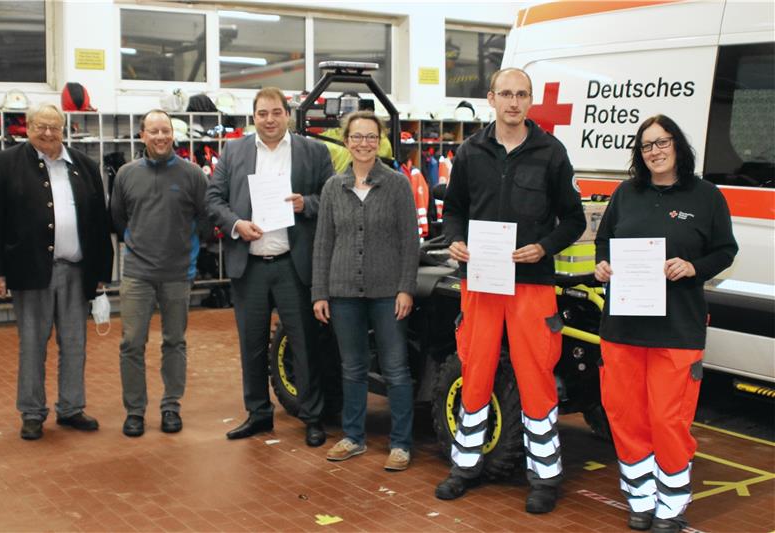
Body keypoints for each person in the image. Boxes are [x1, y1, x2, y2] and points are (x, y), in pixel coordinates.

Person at [435, 67, 586, 512]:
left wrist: (545, 247)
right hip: (481, 281)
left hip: (532, 284)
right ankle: (464, 467)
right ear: (491, 98)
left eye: (521, 95)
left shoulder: (551, 152)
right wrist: (455, 239)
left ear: (530, 100)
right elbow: (454, 209)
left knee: (536, 376)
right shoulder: (470, 152)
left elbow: (574, 219)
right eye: (506, 94)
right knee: (475, 371)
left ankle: (544, 478)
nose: (514, 102)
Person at [594, 115, 737, 533]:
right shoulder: (625, 194)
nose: (654, 151)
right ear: (639, 154)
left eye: (662, 142)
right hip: (623, 328)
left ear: (678, 145)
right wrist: (603, 265)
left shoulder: (706, 196)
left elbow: (726, 250)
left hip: (677, 329)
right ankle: (640, 498)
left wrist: (693, 266)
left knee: (669, 419)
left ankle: (671, 505)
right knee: (625, 415)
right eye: (646, 146)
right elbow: (605, 242)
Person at [205, 87, 334, 447]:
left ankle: (311, 416)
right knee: (252, 344)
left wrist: (304, 204)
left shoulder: (313, 151)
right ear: (254, 116)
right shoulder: (234, 151)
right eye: (262, 113)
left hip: (294, 265)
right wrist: (236, 224)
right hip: (250, 266)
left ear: (287, 114)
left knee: (305, 344)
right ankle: (258, 414)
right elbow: (213, 198)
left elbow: (331, 198)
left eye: (276, 112)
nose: (270, 120)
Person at [0, 103, 113, 440]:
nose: (48, 133)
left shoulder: (84, 165)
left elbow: (99, 223)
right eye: (41, 126)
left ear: (64, 128)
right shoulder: (4, 163)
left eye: (55, 126)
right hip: (30, 272)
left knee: (74, 344)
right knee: (32, 345)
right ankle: (32, 412)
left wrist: (101, 271)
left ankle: (71, 408)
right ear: (26, 126)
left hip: (76, 271)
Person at [312, 111, 419, 471]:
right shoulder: (332, 187)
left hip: (388, 289)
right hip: (342, 290)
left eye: (371, 137)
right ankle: (353, 437)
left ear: (381, 141)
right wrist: (320, 292)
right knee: (353, 367)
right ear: (346, 141)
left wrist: (406, 288)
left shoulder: (398, 184)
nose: (363, 143)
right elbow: (323, 242)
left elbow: (410, 241)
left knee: (395, 369)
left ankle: (401, 444)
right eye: (356, 137)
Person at [111, 109, 208, 437]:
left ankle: (171, 407)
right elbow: (119, 218)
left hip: (178, 273)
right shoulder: (126, 174)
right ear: (142, 136)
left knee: (174, 341)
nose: (160, 137)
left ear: (173, 134)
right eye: (153, 131)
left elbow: (206, 218)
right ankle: (135, 411)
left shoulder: (193, 174)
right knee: (131, 343)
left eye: (165, 130)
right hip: (137, 273)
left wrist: (186, 251)